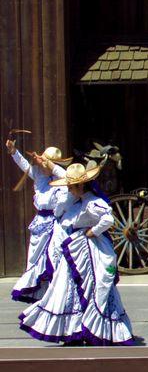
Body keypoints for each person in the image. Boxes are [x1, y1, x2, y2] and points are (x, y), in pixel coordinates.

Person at [19, 163, 134, 345]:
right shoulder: (78, 202)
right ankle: (75, 330)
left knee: (94, 288)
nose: (69, 190)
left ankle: (95, 330)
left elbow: (108, 219)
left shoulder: (92, 202)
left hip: (91, 250)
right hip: (77, 249)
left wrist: (93, 231)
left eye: (71, 187)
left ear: (80, 186)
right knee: (67, 287)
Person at [6, 139, 71, 303]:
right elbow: (23, 164)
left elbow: (68, 178)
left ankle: (57, 294)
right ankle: (41, 295)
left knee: (56, 258)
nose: (42, 167)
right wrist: (14, 151)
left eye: (46, 164)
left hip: (57, 224)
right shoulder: (38, 175)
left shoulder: (62, 179)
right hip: (40, 224)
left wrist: (52, 166)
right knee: (36, 259)